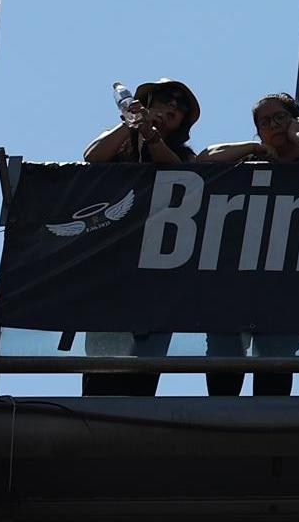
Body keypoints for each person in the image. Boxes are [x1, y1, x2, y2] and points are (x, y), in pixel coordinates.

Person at [196, 93, 299, 396]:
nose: (273, 125)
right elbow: (204, 159)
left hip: (288, 284)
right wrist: (254, 147)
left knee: (273, 368)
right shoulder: (249, 162)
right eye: (264, 122)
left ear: (295, 119)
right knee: (223, 367)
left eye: (280, 118)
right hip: (235, 280)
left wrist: (296, 135)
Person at [80, 78, 201, 396]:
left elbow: (178, 173)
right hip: (111, 273)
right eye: (166, 98)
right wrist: (130, 124)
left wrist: (153, 136)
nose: (173, 106)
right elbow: (92, 156)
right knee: (101, 371)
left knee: (143, 378)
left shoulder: (186, 156)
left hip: (157, 276)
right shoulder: (121, 143)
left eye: (181, 105)